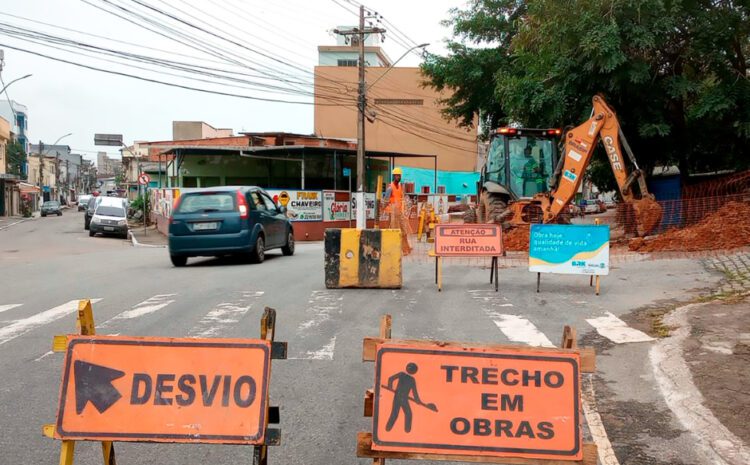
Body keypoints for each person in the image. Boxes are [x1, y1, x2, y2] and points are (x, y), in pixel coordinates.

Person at [383, 167, 412, 255]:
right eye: (396, 176)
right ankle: (394, 249)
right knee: (394, 232)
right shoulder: (390, 188)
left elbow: (402, 198)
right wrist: (386, 209)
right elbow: (385, 200)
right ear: (393, 176)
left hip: (399, 212)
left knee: (404, 231)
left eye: (399, 176)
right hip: (392, 213)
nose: (398, 177)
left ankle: (406, 248)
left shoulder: (400, 187)